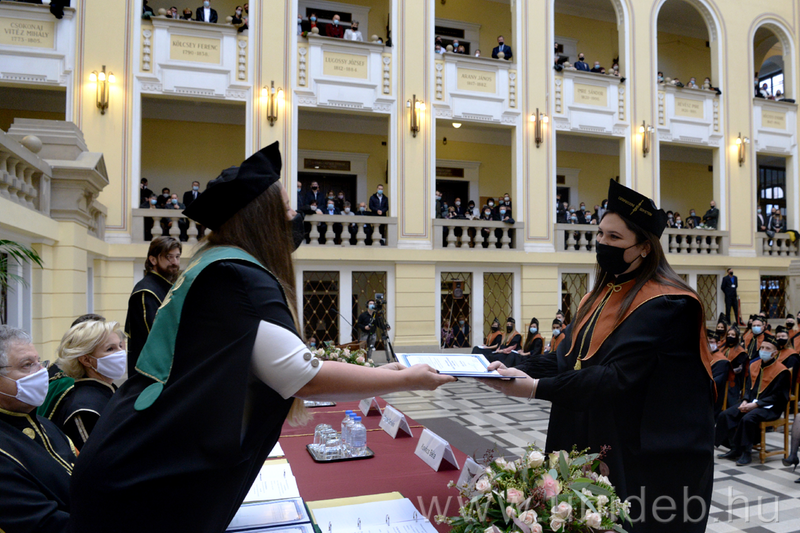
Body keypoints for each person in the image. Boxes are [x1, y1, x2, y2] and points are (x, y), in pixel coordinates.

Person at [68, 143, 455, 533]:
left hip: (133, 462)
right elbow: (304, 377)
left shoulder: (213, 262)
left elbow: (278, 365)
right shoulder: (238, 276)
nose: (295, 217)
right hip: (140, 484)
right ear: (261, 217)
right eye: (286, 208)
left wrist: (379, 373)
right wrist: (408, 379)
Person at [479, 179, 716, 532]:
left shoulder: (669, 303)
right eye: (600, 234)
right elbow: (567, 357)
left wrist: (535, 388)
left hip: (640, 449)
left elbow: (617, 378)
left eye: (615, 237)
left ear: (645, 247)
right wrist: (509, 366)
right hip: (586, 425)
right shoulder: (599, 295)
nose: (603, 243)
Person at [0, 326, 77, 533]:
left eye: (39, 362)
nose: (41, 372)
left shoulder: (46, 425)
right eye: (27, 365)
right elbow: (42, 523)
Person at [46, 321, 125, 450]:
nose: (121, 353)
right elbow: (96, 456)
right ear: (86, 360)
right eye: (110, 349)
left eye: (120, 346)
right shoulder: (84, 409)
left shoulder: (107, 390)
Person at [716, 333, 790, 466]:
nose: (764, 351)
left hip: (771, 407)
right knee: (726, 414)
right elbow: (748, 388)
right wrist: (745, 401)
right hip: (751, 402)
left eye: (768, 349)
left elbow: (778, 396)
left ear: (775, 353)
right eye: (762, 348)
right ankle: (735, 448)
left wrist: (756, 405)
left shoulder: (782, 371)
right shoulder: (754, 365)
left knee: (748, 418)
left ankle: (746, 453)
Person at [124, 236, 181, 376]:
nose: (175, 262)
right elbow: (155, 338)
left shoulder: (165, 286)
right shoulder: (146, 292)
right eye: (169, 257)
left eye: (177, 257)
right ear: (153, 260)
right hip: (151, 372)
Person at [721, 327, 747, 408]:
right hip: (722, 376)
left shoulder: (740, 352)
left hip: (734, 378)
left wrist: (728, 372)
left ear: (736, 337)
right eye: (728, 334)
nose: (730, 336)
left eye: (732, 335)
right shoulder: (723, 349)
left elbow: (740, 368)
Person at [708, 332, 729, 419]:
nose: (708, 345)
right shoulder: (705, 356)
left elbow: (716, 381)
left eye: (711, 342)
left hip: (713, 393)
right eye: (707, 342)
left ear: (718, 343)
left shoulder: (722, 361)